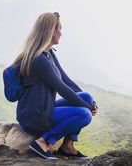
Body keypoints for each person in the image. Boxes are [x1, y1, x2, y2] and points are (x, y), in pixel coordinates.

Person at [13, 12, 98, 160]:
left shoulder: (49, 54)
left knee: (87, 97)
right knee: (84, 114)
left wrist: (90, 103)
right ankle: (43, 142)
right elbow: (62, 89)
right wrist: (87, 108)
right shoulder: (39, 60)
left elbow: (66, 80)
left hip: (45, 108)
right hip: (35, 116)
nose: (61, 33)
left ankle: (67, 146)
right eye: (59, 28)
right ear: (50, 31)